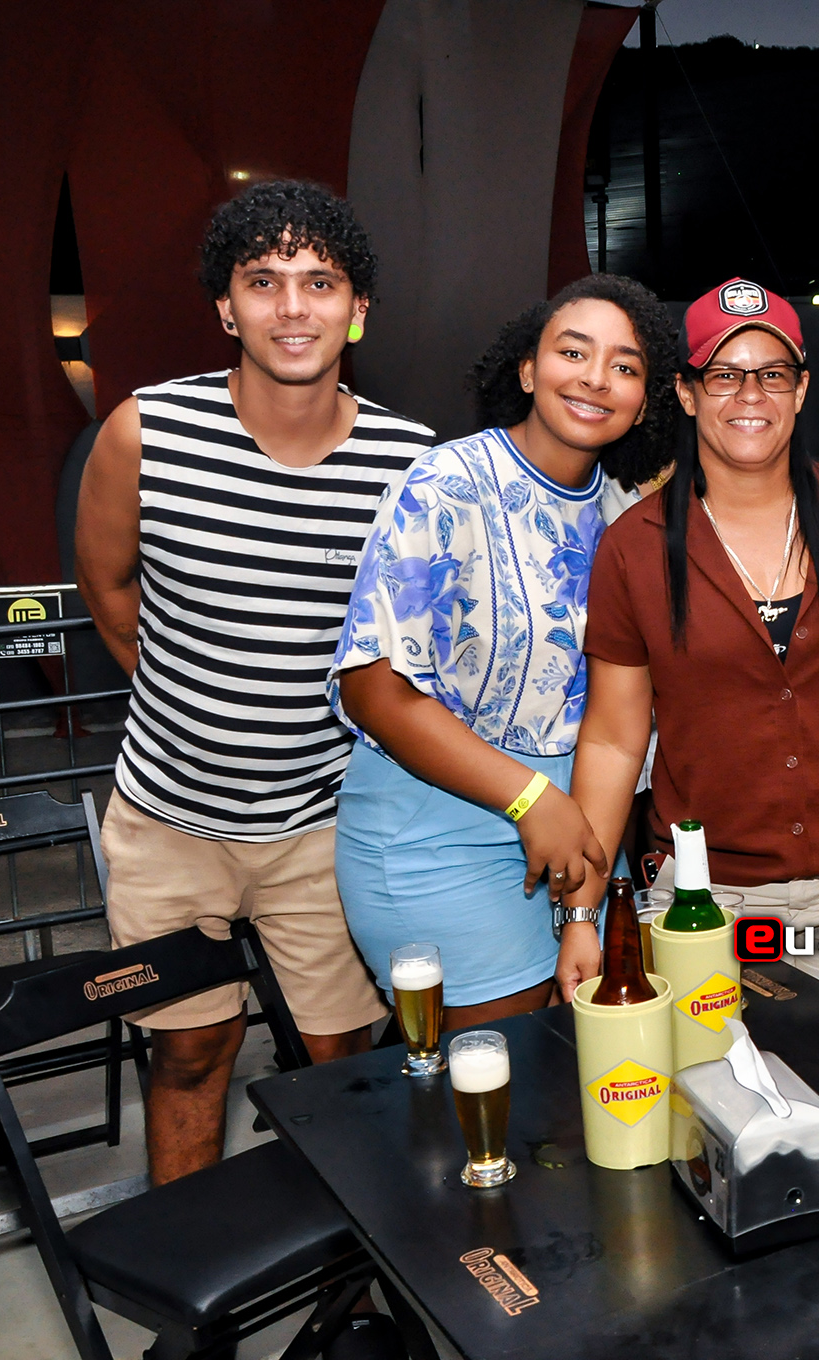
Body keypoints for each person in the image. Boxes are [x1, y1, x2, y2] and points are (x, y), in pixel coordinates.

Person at [73, 181, 432, 1184]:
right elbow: (108, 592)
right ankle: (193, 1277)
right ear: (226, 308)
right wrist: (195, 707)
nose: (292, 306)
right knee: (191, 1053)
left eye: (320, 281)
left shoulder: (408, 460)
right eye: (263, 281)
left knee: (342, 1063)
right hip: (168, 818)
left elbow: (410, 653)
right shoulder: (147, 431)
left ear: (357, 309)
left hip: (327, 822)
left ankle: (345, 1269)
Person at [329, 275, 678, 1027]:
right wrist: (529, 797)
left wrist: (578, 881)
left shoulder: (626, 515)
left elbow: (617, 723)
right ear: (527, 370)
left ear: (645, 399)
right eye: (573, 352)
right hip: (439, 829)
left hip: (582, 830)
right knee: (509, 1061)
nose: (595, 377)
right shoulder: (444, 483)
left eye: (624, 366)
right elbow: (372, 690)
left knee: (595, 1055)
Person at [558, 279, 819, 997]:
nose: (750, 395)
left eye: (772, 374)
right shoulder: (635, 546)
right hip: (705, 899)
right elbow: (613, 740)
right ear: (687, 393)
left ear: (801, 389)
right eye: (724, 375)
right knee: (710, 1072)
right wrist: (582, 913)